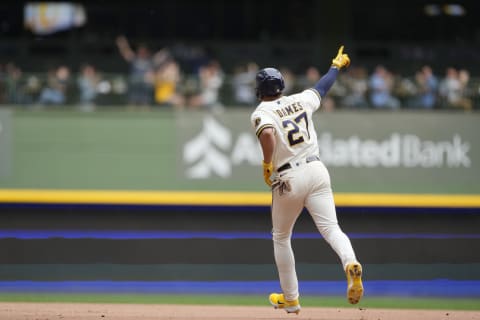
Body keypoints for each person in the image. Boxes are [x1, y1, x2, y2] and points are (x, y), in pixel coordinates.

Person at [250, 46, 363, 314]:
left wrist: (267, 163)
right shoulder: (300, 100)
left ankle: (291, 299)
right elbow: (322, 88)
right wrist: (335, 67)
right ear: (281, 86)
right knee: (332, 229)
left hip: (289, 177)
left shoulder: (261, 112)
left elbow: (267, 134)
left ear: (259, 90)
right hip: (317, 169)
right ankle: (350, 263)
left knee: (281, 237)